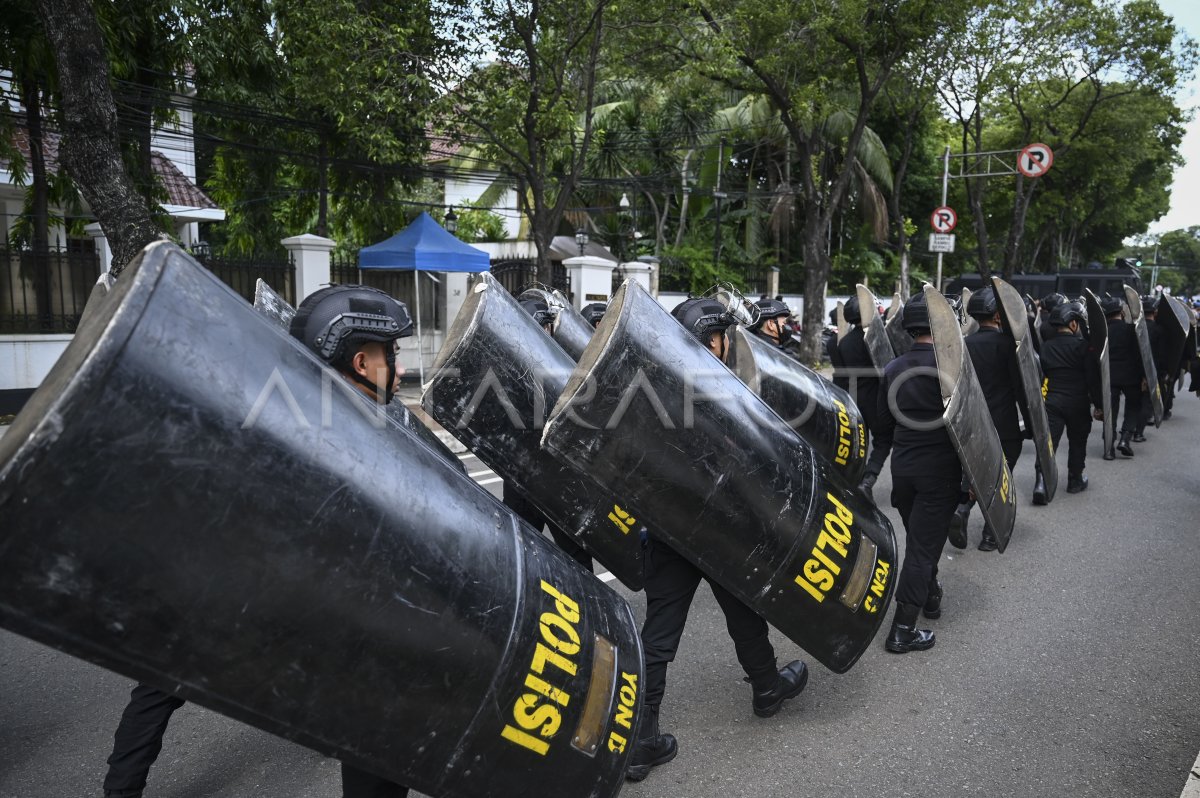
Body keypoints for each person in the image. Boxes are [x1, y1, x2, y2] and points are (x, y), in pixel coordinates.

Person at [101, 285, 414, 798]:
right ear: (361, 362)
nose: (399, 368)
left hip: (232, 579)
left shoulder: (290, 402)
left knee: (159, 687)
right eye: (392, 354)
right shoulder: (337, 430)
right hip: (238, 582)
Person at [625, 297, 808, 782]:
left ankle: (642, 738)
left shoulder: (650, 387)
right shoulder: (719, 391)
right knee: (742, 609)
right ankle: (767, 689)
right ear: (712, 340)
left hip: (667, 527)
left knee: (660, 634)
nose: (728, 344)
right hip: (720, 527)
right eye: (724, 336)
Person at [873, 292, 961, 653]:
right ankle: (903, 629)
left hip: (904, 470)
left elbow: (883, 427)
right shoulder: (954, 367)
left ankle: (931, 595)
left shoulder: (893, 369)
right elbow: (971, 429)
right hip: (939, 474)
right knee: (922, 550)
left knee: (922, 541)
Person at [505, 297, 594, 570]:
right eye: (547, 326)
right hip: (552, 477)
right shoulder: (555, 370)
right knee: (575, 556)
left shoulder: (506, 365)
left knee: (519, 553)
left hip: (518, 472)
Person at [948, 287, 1031, 551]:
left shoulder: (964, 345)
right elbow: (1022, 389)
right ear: (997, 315)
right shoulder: (1008, 345)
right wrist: (1031, 424)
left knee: (975, 469)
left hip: (973, 423)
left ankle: (963, 507)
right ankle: (988, 535)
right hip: (1004, 423)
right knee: (1000, 473)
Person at [829, 295, 891, 497]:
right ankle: (868, 479)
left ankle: (856, 480)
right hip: (877, 400)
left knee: (859, 443)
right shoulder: (875, 339)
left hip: (853, 400)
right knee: (883, 440)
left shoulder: (843, 342)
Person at [1039, 300, 1103, 494]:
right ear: (1073, 324)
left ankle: (1041, 482)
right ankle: (1075, 480)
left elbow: (1041, 375)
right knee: (1077, 442)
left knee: (1049, 443)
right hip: (1078, 402)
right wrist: (1100, 405)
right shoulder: (1084, 347)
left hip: (1052, 402)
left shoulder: (1046, 346)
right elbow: (1092, 379)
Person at [1102, 294, 1143, 458]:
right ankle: (1125, 438)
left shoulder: (1102, 331)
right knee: (1133, 406)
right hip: (1131, 375)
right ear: (1122, 312)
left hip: (1109, 376)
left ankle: (1109, 448)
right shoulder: (1131, 330)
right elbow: (1140, 354)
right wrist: (1144, 377)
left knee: (1110, 411)